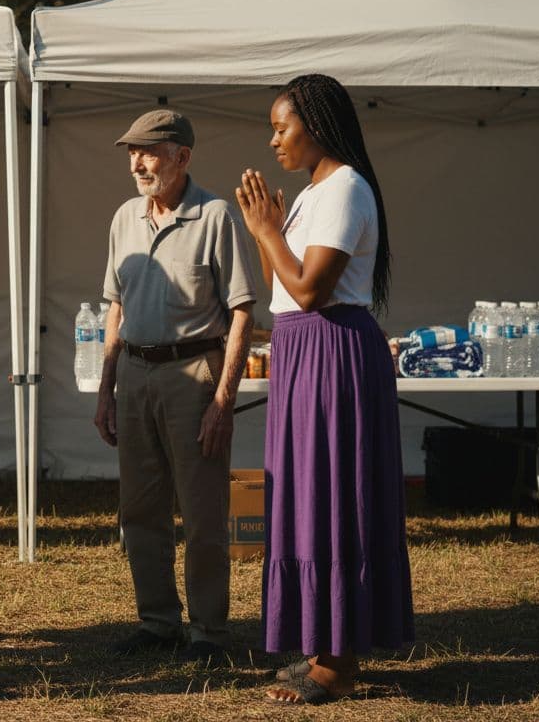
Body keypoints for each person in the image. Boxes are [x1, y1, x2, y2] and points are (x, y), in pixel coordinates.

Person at [233, 73, 414, 704]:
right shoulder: (316, 191)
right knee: (303, 492)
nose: (274, 139)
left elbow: (310, 288)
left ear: (318, 124)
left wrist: (264, 230)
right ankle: (320, 642)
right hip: (302, 345)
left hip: (332, 348)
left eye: (282, 126)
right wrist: (271, 230)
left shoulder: (345, 188)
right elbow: (283, 289)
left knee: (331, 492)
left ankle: (338, 661)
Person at [93, 110, 260, 664]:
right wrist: (106, 388)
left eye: (150, 151)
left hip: (194, 375)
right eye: (131, 152)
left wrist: (223, 400)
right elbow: (115, 305)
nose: (138, 163)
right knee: (140, 510)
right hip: (136, 374)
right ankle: (158, 623)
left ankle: (208, 632)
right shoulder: (123, 217)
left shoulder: (215, 215)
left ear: (182, 157)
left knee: (203, 511)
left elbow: (241, 312)